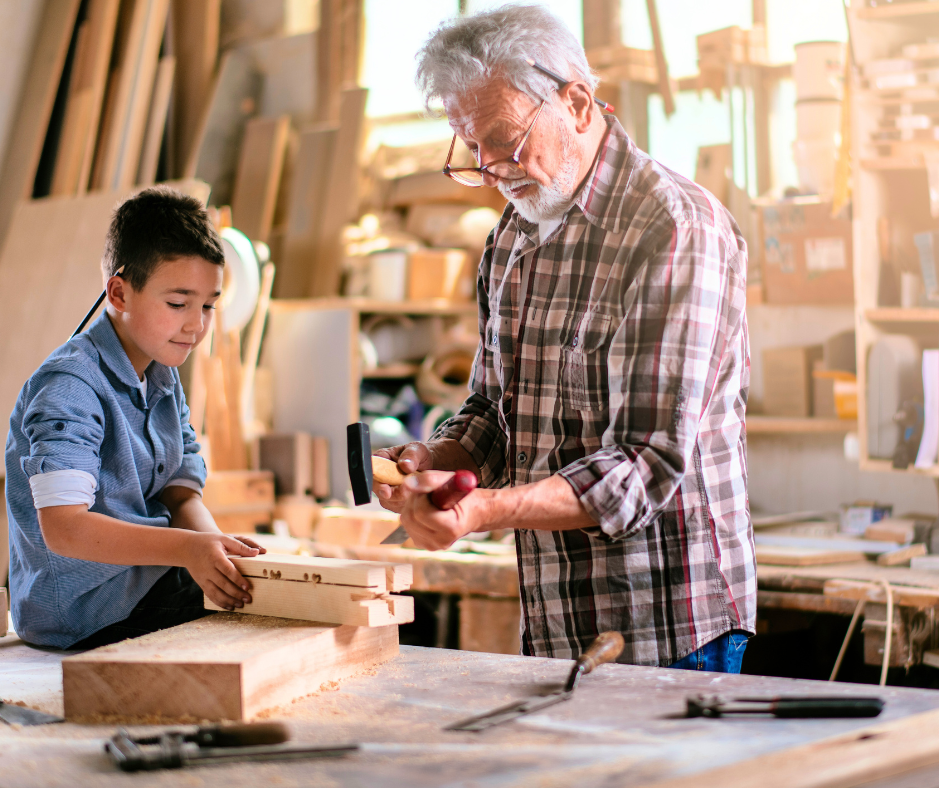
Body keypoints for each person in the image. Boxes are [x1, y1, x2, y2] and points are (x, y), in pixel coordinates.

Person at [374, 5, 755, 671]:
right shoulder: (517, 232)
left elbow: (642, 465)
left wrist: (482, 510)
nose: (491, 169)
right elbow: (493, 411)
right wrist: (439, 464)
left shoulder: (672, 228)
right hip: (556, 617)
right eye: (471, 149)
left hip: (667, 619)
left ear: (577, 103)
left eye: (504, 139)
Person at [5, 186, 265, 650]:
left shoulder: (163, 373)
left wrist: (219, 554)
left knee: (267, 599)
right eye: (177, 303)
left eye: (207, 305)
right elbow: (64, 527)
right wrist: (187, 550)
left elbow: (179, 493)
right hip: (80, 610)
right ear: (120, 293)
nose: (196, 325)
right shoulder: (69, 386)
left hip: (149, 581)